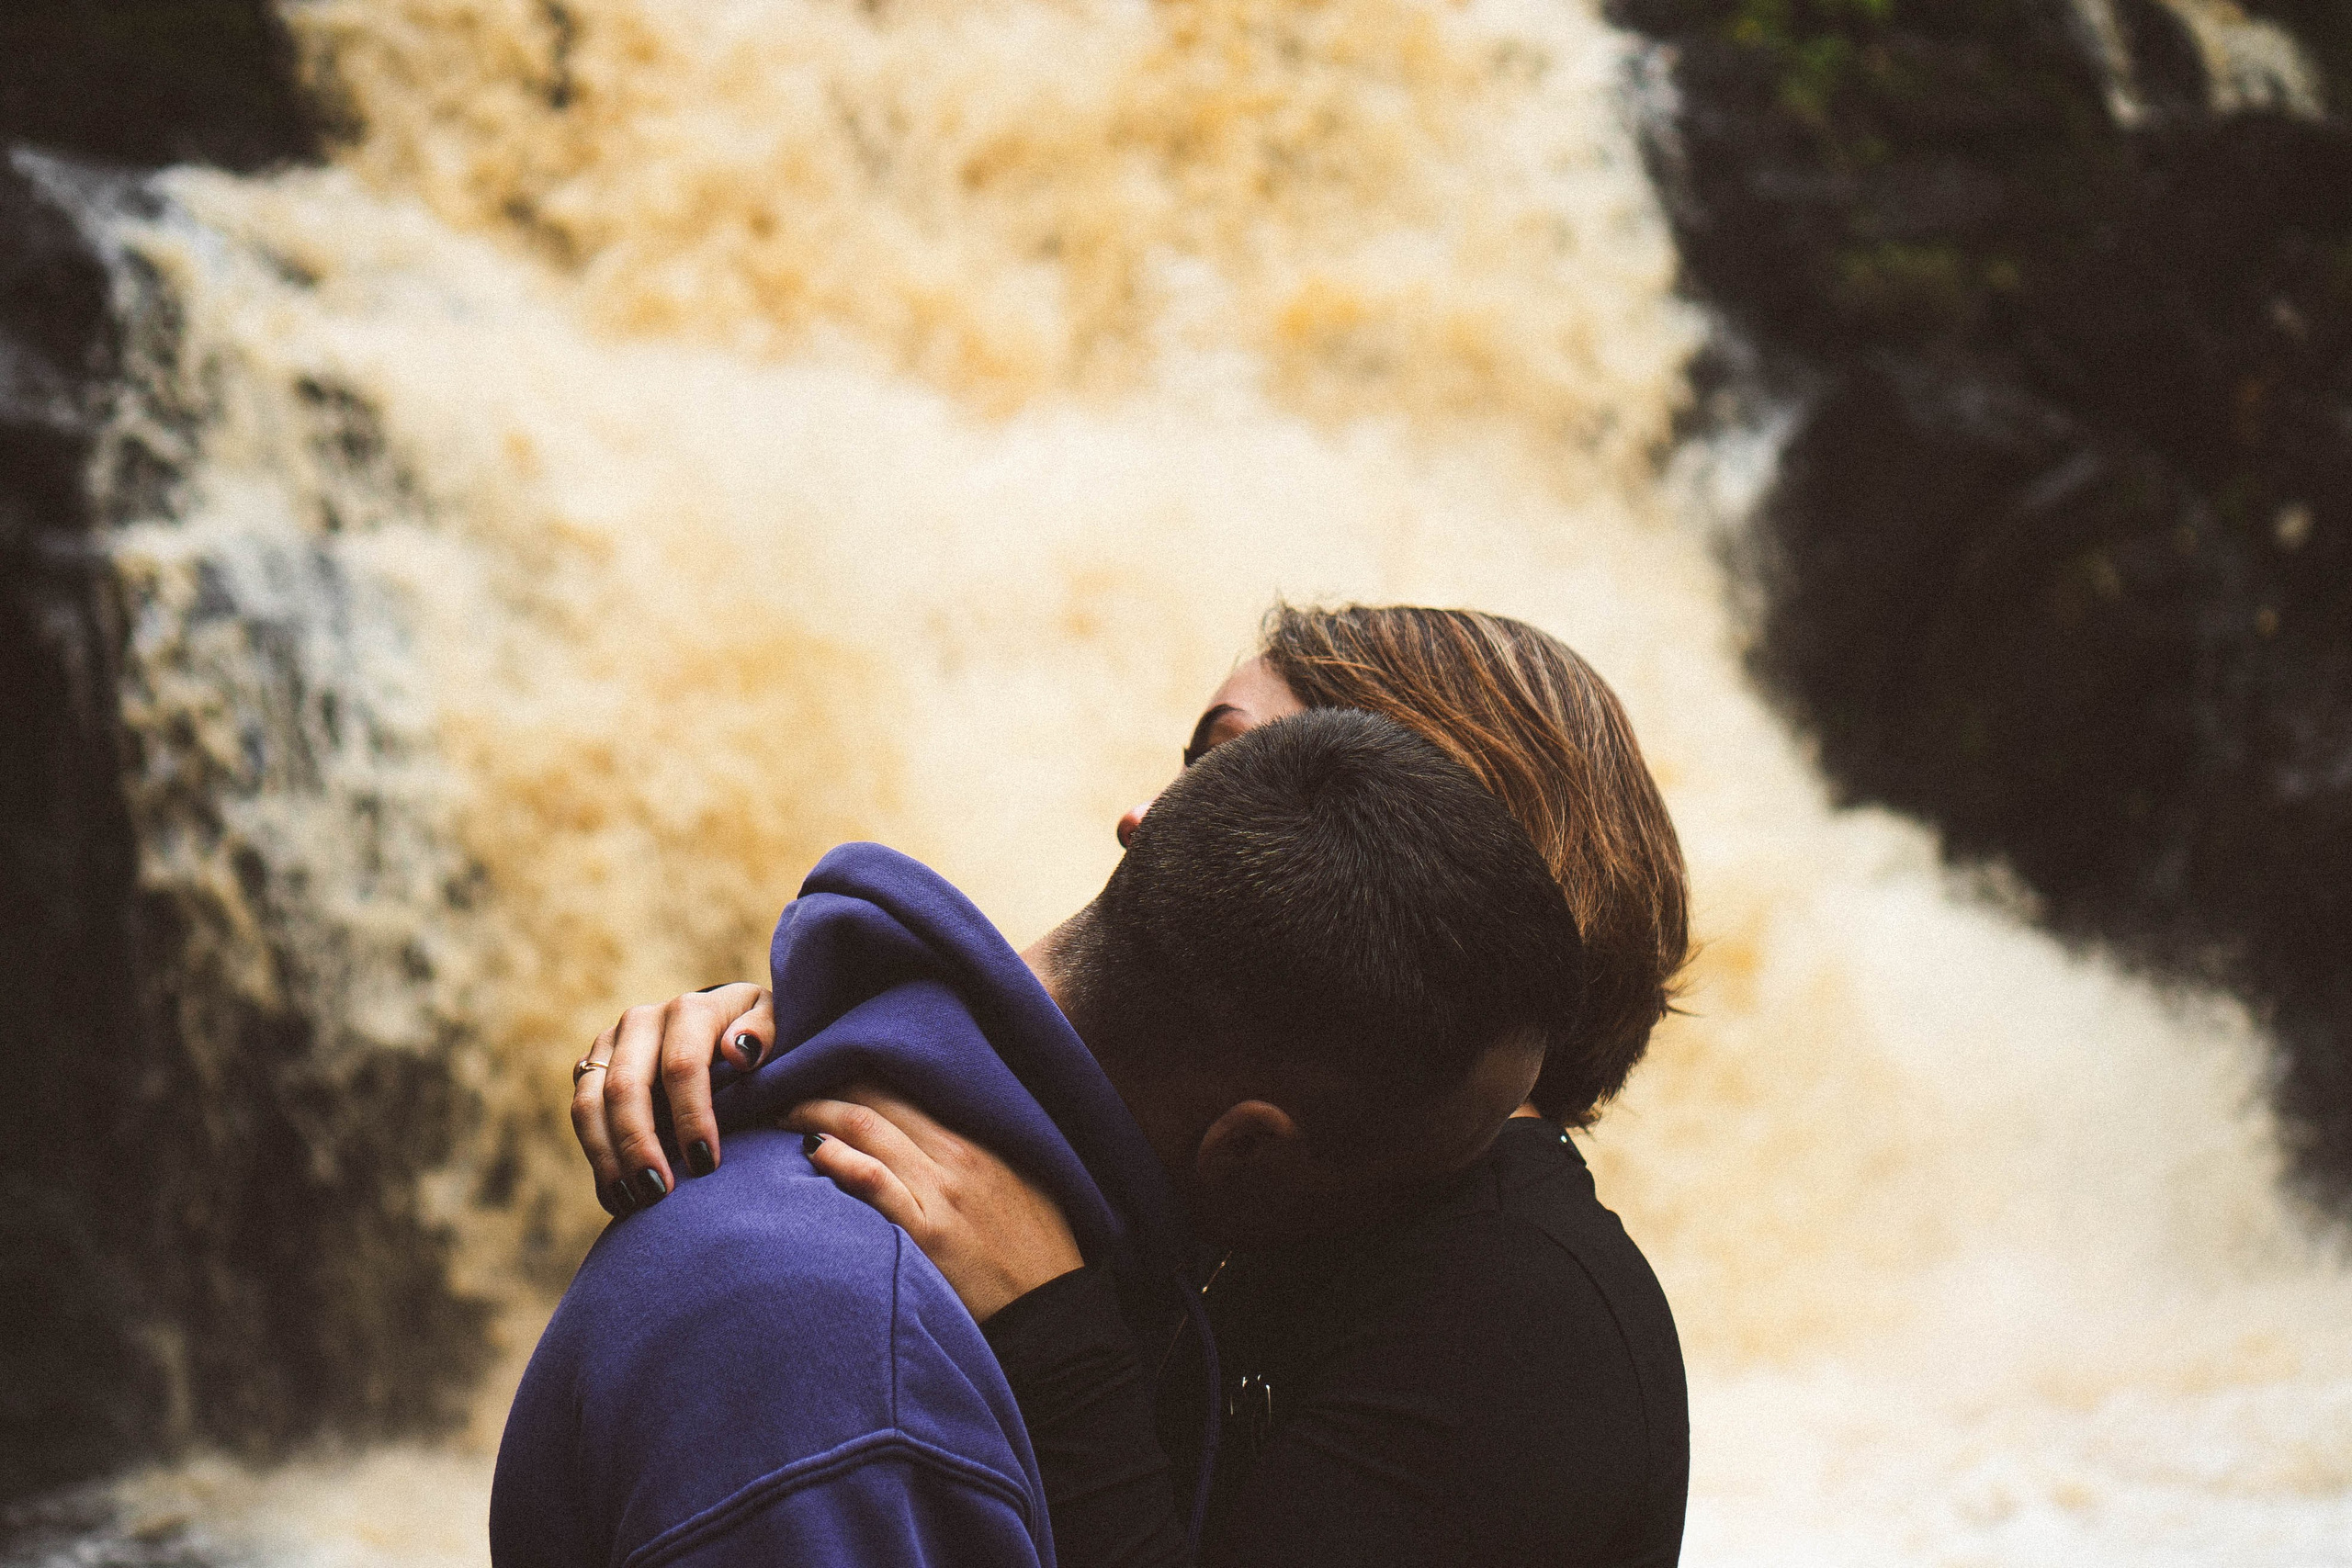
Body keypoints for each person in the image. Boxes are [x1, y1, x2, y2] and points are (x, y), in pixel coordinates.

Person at [574, 604, 1694, 1568]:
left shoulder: (1523, 1321)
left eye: (1245, 772)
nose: (1153, 818)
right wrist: (776, 1037)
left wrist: (1055, 1341)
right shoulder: (1231, 1189)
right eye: (1207, 769)